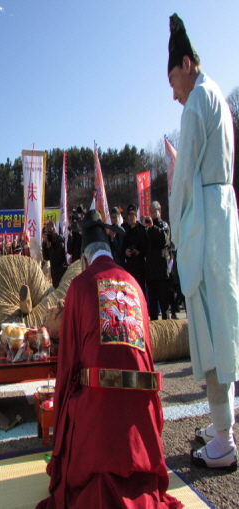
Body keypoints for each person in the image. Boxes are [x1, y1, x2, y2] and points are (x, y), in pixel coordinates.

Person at [36, 210, 182, 509]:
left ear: (85, 260)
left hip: (100, 415)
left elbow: (70, 361)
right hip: (141, 413)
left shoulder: (80, 286)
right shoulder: (134, 284)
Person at [168, 13, 238, 470]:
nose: (173, 93)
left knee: (212, 327)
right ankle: (222, 423)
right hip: (223, 214)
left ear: (187, 65)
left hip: (206, 223)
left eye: (173, 80)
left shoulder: (197, 103)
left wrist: (177, 232)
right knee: (226, 320)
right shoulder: (219, 98)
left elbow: (184, 178)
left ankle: (226, 440)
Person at [145, 201, 171, 320]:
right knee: (153, 305)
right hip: (150, 271)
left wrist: (153, 227)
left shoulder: (163, 225)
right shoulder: (147, 227)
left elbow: (164, 241)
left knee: (164, 303)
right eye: (152, 212)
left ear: (159, 212)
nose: (153, 214)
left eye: (155, 211)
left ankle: (166, 327)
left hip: (161, 270)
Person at [123, 204, 148, 294]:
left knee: (140, 290)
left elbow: (146, 247)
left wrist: (139, 252)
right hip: (129, 265)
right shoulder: (125, 229)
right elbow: (122, 247)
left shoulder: (142, 229)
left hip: (140, 266)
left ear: (136, 216)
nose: (131, 218)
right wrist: (125, 252)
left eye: (133, 215)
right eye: (129, 215)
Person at [42, 220, 67, 288]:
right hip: (54, 273)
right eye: (48, 231)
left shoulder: (59, 240)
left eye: (50, 230)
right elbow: (46, 257)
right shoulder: (50, 241)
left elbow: (56, 260)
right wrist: (45, 243)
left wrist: (50, 248)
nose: (49, 233)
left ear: (54, 229)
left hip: (61, 273)